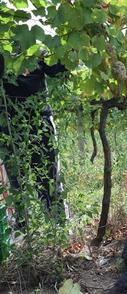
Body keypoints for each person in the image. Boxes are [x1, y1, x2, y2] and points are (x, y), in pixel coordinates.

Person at [0, 52, 67, 223]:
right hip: (10, 124)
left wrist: (69, 51)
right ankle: (23, 227)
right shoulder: (3, 48)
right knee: (16, 179)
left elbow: (58, 71)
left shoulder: (35, 47)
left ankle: (58, 224)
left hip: (40, 121)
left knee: (47, 175)